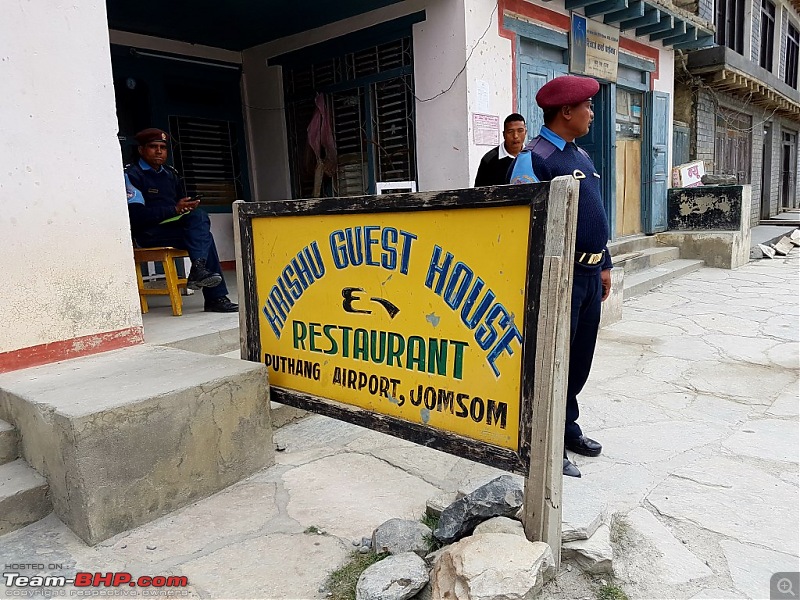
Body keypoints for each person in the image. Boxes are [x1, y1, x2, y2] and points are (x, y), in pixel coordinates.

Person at [507, 75, 612, 478]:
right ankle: (544, 440)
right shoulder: (534, 158)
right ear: (566, 111)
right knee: (552, 361)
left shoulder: (579, 156)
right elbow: (527, 228)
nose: (591, 112)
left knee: (578, 360)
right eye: (586, 105)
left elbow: (593, 213)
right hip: (559, 277)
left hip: (588, 274)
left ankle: (567, 427)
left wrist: (605, 264)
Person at [125, 128, 238, 313]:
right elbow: (136, 215)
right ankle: (214, 296)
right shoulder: (132, 175)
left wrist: (185, 207)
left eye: (163, 147)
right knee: (204, 236)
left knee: (200, 223)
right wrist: (174, 209)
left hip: (171, 230)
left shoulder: (170, 174)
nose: (159, 151)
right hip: (147, 233)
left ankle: (199, 270)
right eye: (153, 147)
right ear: (141, 150)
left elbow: (177, 205)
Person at [474, 114, 527, 187]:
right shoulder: (489, 160)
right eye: (510, 131)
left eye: (520, 131)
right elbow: (479, 193)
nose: (515, 136)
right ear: (504, 134)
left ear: (526, 132)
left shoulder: (532, 157)